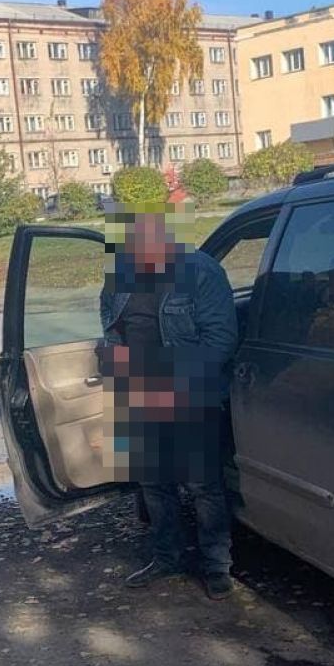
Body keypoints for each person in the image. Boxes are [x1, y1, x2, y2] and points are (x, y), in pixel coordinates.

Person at [99, 205, 239, 600]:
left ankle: (217, 566)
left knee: (202, 485)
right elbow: (111, 328)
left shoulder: (201, 272)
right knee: (154, 485)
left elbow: (220, 340)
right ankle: (167, 557)